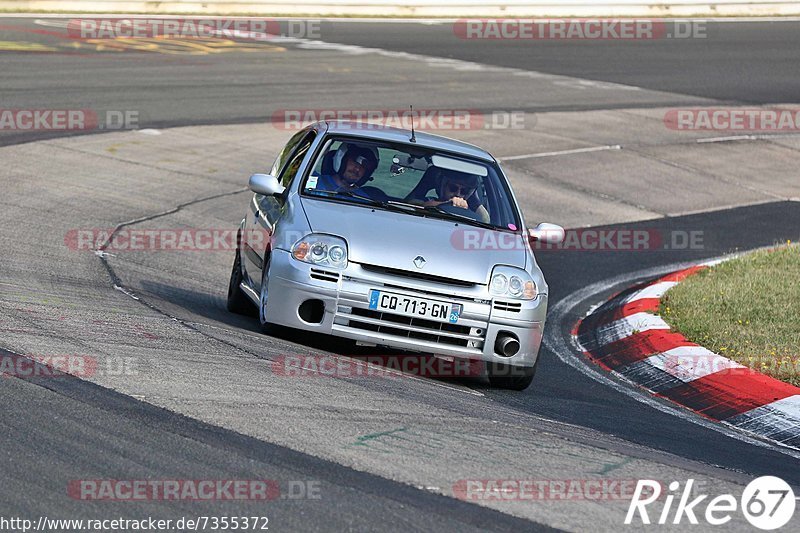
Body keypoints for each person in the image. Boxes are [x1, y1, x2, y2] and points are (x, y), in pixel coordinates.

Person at [414, 169, 490, 223]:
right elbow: (413, 205)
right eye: (453, 188)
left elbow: (485, 220)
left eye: (464, 191)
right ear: (443, 186)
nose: (458, 194)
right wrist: (446, 204)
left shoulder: (473, 214)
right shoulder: (429, 201)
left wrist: (464, 211)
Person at [312, 144, 379, 194]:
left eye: (364, 166)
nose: (358, 169)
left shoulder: (367, 200)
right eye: (355, 161)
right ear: (341, 159)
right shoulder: (311, 182)